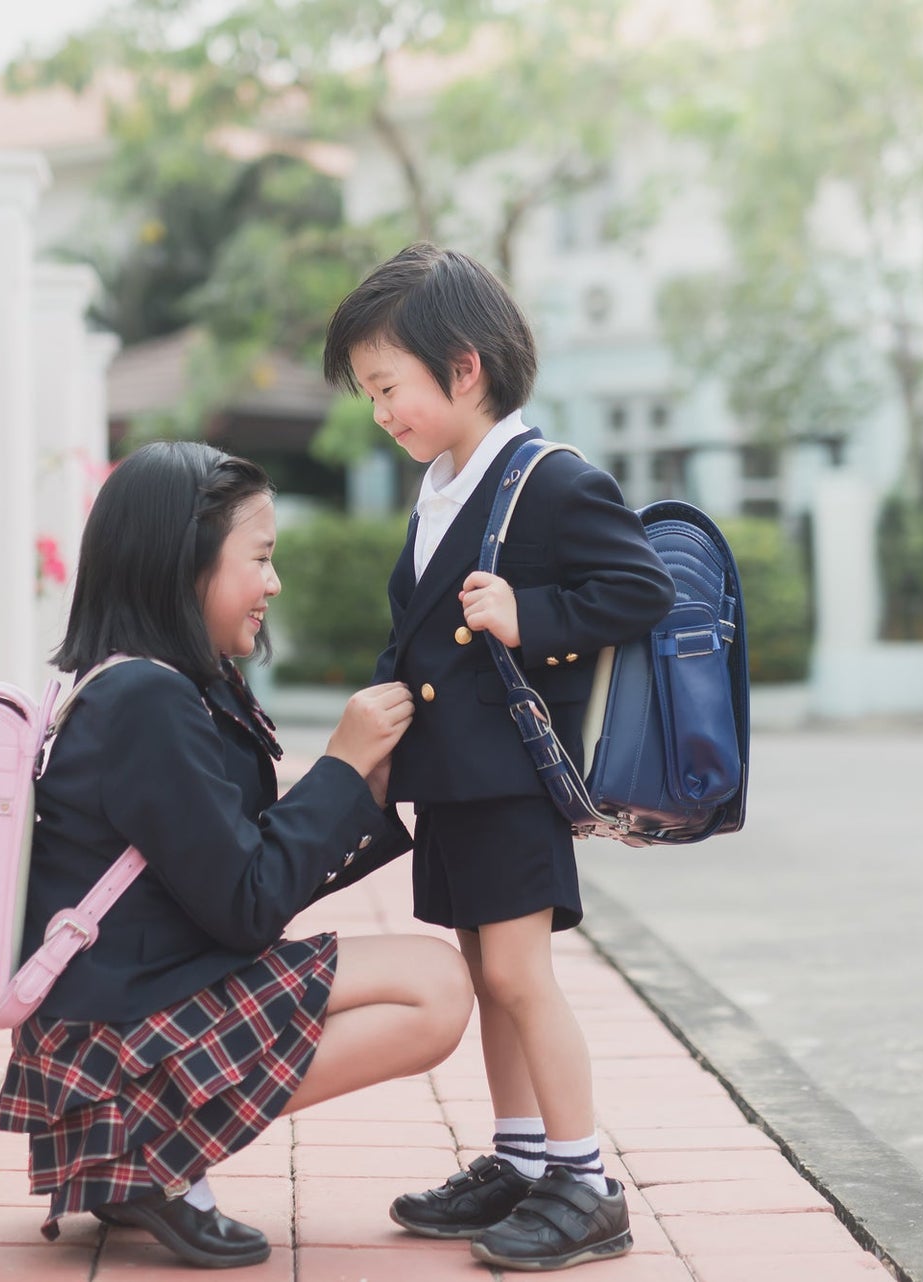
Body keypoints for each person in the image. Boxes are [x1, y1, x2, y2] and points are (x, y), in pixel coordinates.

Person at [0, 440, 474, 1268]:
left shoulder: (155, 683)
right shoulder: (145, 699)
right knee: (435, 989)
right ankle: (156, 1156)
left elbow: (240, 867)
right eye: (259, 557)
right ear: (185, 564)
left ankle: (137, 1160)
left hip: (115, 1016)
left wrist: (361, 784)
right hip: (115, 1046)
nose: (274, 584)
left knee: (426, 977)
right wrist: (339, 768)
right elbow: (249, 906)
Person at [323, 244, 677, 1271]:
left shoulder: (553, 478)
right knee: (489, 972)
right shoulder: (442, 484)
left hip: (515, 782)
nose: (380, 411)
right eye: (370, 393)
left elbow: (642, 591)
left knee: (520, 972)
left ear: (463, 367)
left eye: (389, 387)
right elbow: (421, 629)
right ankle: (522, 1160)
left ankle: (583, 1180)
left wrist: (535, 616)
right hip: (454, 781)